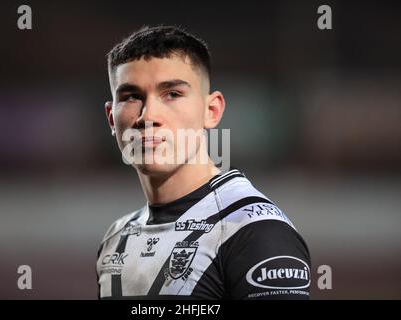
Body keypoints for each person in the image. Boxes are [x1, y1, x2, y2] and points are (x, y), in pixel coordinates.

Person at [97, 25, 311, 299]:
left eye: (172, 94)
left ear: (211, 111)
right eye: (131, 97)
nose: (148, 115)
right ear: (112, 119)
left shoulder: (253, 231)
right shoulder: (116, 239)